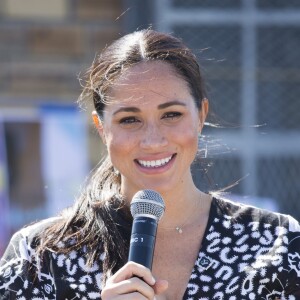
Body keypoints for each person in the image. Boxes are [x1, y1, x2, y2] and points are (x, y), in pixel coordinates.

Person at [0, 29, 300, 300]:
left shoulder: (277, 243)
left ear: (201, 115)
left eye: (171, 114)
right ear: (102, 129)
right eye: (130, 119)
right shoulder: (40, 256)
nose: (152, 140)